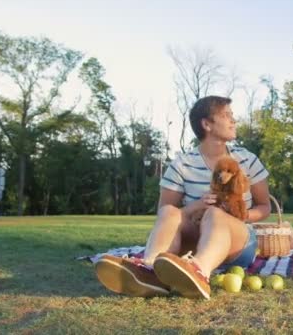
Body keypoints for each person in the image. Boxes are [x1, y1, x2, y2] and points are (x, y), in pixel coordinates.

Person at [95, 96, 271, 299]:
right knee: (170, 212)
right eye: (226, 115)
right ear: (207, 124)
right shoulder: (182, 163)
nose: (234, 120)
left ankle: (200, 272)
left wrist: (236, 215)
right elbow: (166, 214)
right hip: (194, 240)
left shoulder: (247, 159)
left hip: (238, 244)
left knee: (215, 214)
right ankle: (150, 270)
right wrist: (198, 205)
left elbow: (265, 206)